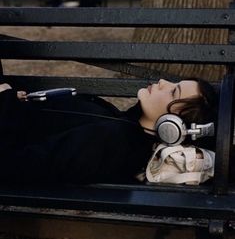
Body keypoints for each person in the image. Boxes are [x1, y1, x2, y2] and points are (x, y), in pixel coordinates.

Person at [0, 78, 218, 185]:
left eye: (173, 91)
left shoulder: (115, 143)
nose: (162, 82)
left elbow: (17, 166)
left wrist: (5, 100)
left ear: (173, 127)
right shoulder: (120, 125)